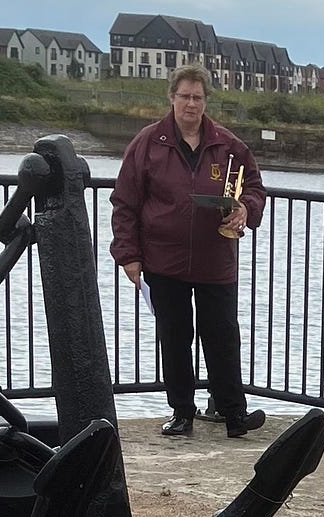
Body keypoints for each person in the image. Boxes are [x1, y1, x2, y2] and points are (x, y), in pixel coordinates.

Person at [109, 63, 267, 439]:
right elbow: (124, 202)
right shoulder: (147, 143)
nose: (191, 104)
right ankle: (182, 413)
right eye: (184, 97)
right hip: (164, 262)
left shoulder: (230, 146)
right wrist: (128, 255)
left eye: (197, 97)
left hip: (216, 262)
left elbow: (256, 188)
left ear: (206, 101)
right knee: (175, 338)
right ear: (172, 98)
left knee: (223, 338)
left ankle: (234, 415)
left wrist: (246, 209)